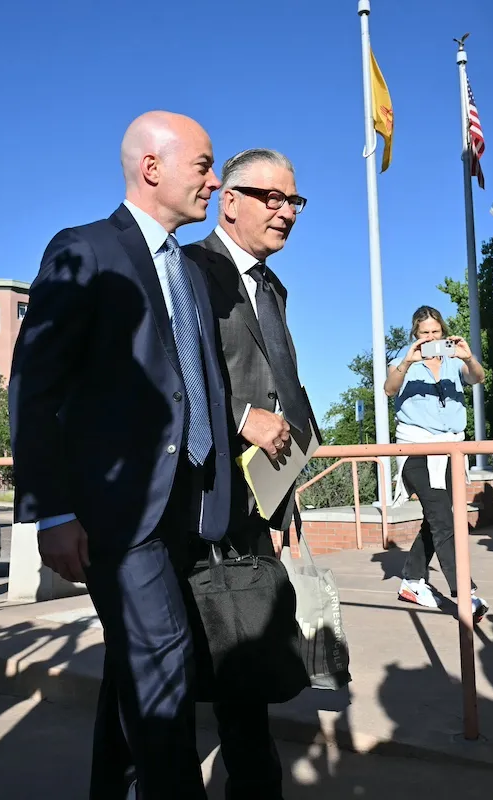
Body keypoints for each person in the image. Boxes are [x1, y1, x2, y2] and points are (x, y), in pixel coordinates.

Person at [9, 111, 232, 799]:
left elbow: (200, 389)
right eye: (204, 165)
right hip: (118, 514)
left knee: (138, 675)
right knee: (164, 676)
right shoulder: (86, 250)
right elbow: (35, 385)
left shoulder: (190, 273)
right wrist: (52, 513)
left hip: (186, 509)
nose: (216, 181)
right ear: (152, 167)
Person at [183, 147, 313, 797]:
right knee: (189, 674)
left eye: (295, 201)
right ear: (229, 200)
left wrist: (288, 494)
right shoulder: (190, 270)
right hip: (196, 509)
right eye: (273, 198)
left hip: (256, 507)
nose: (286, 213)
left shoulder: (273, 286)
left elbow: (285, 390)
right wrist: (241, 418)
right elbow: (170, 377)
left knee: (246, 673)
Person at [385, 305, 489, 621]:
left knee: (438, 517)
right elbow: (390, 389)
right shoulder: (404, 361)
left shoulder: (454, 360)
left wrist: (468, 356)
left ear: (442, 331)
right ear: (415, 335)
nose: (430, 338)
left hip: (450, 452)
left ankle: (412, 581)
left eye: (435, 332)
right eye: (424, 333)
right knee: (443, 517)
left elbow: (478, 377)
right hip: (416, 450)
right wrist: (408, 361)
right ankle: (464, 592)